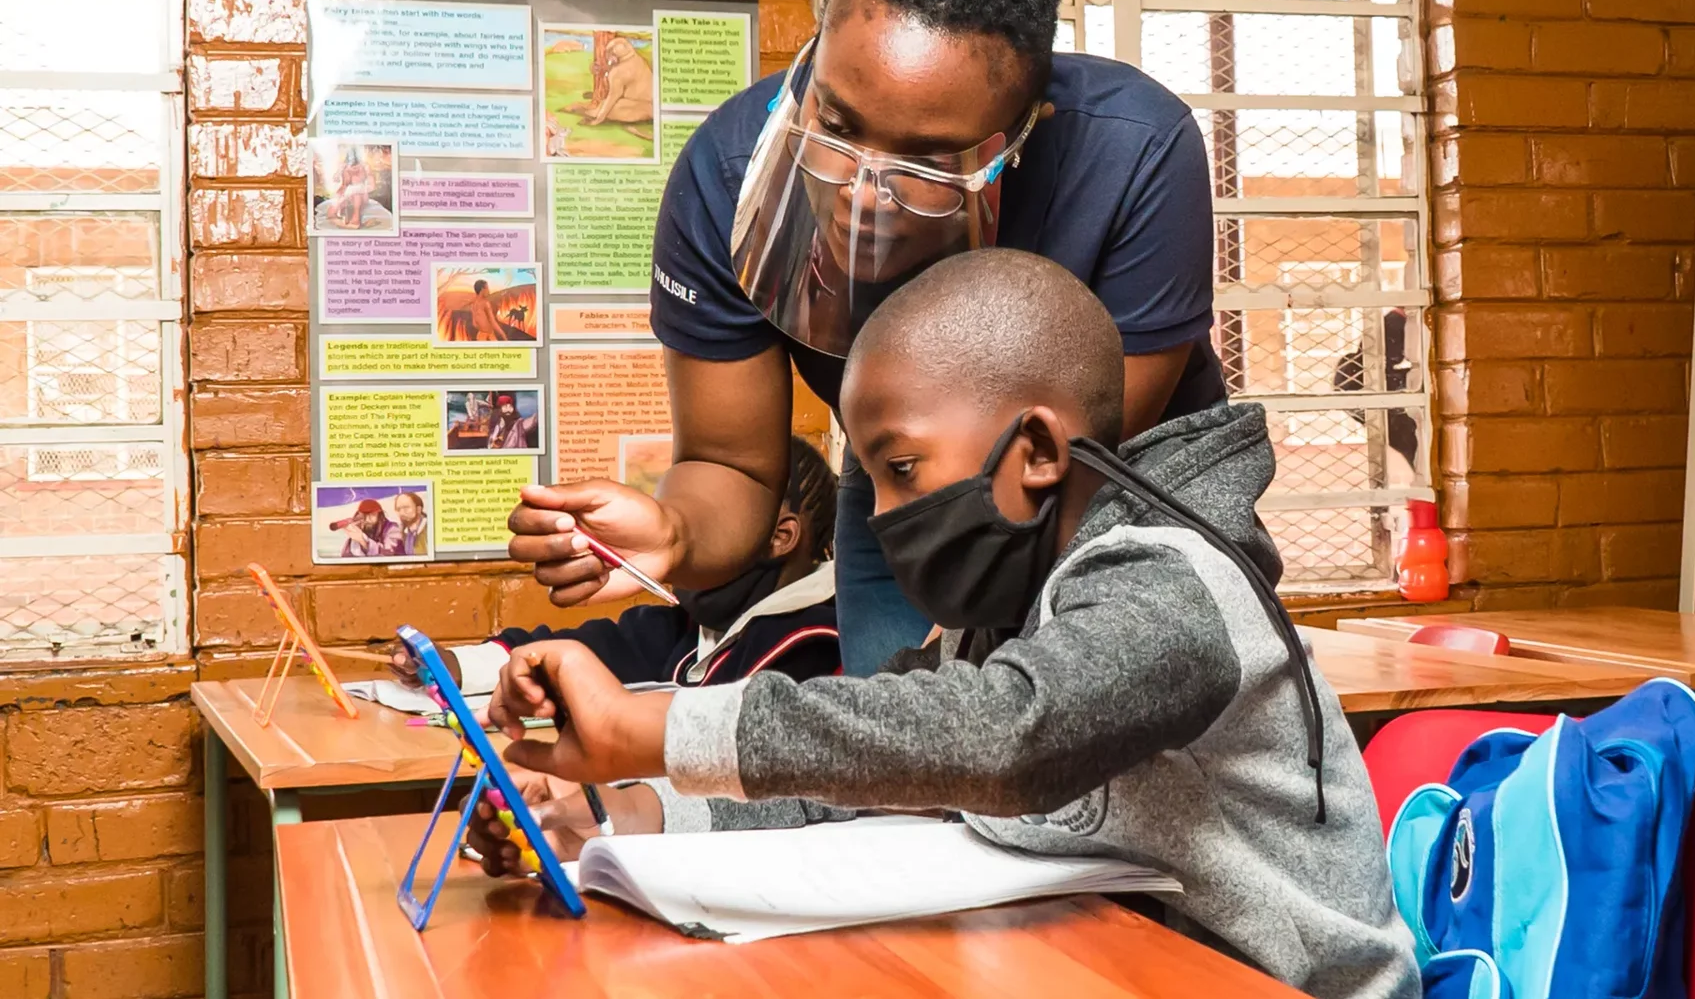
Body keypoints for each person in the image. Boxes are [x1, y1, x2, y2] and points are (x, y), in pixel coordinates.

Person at [475, 251, 1417, 999]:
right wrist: (627, 814)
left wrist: (650, 730)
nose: (882, 517)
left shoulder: (1174, 590)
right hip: (1094, 964)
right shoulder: (998, 607)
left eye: (902, 468)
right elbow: (877, 773)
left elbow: (1009, 737)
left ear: (1038, 450)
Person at [506, 0, 1225, 678]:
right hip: (902, 480)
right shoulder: (725, 179)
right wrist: (674, 533)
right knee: (900, 766)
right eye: (838, 125)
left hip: (1113, 483)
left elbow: (1080, 472)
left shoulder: (1133, 155)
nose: (856, 189)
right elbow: (734, 468)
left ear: (1024, 131)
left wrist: (970, 689)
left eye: (923, 158)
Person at [396, 435, 839, 699]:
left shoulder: (823, 644)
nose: (680, 537)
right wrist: (452, 665)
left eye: (709, 521)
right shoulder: (690, 626)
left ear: (780, 538)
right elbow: (573, 649)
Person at [392, 490, 428, 557]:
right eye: (398, 509)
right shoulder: (404, 533)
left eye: (406, 507)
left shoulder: (430, 529)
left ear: (418, 509)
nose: (402, 513)